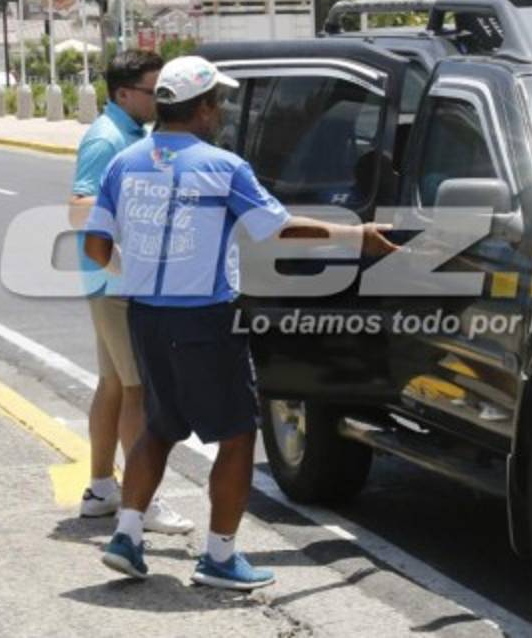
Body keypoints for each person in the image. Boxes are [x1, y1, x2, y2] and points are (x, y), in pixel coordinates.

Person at [84, 55, 396, 590]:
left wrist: (136, 273)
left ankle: (127, 536)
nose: (223, 111)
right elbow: (278, 229)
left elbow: (95, 247)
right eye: (219, 103)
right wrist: (356, 235)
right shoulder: (223, 167)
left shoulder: (125, 163)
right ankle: (220, 557)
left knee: (159, 426)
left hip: (146, 317)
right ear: (203, 108)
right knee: (236, 435)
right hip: (205, 320)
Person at [69, 50, 192, 534]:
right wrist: (126, 261)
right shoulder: (106, 139)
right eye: (153, 91)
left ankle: (102, 489)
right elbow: (80, 207)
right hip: (117, 283)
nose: (160, 99)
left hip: (110, 280)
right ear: (124, 94)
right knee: (140, 390)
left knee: (116, 385)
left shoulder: (133, 133)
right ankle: (143, 502)